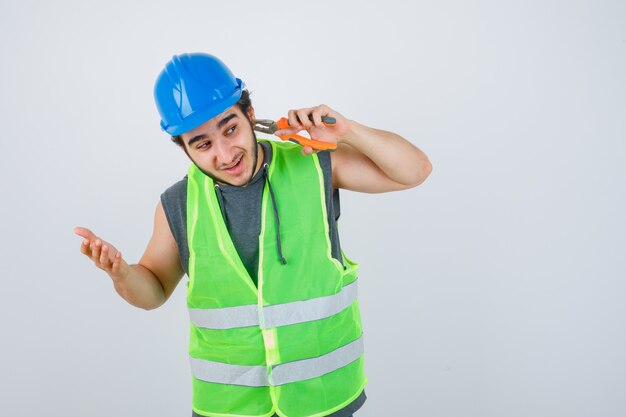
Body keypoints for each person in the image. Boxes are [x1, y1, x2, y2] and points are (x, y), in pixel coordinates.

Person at [75, 53, 432, 417]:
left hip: (323, 399)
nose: (226, 153)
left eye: (230, 129)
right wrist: (122, 274)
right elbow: (152, 291)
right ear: (183, 147)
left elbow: (415, 171)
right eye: (202, 144)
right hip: (230, 407)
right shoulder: (178, 204)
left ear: (249, 113)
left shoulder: (314, 163)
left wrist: (349, 132)